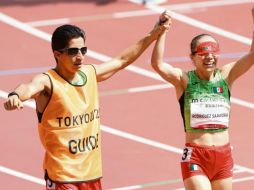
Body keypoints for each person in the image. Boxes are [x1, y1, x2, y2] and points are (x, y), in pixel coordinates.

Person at [3, 12, 170, 190]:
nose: (80, 56)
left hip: (91, 173)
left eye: (83, 50)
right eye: (73, 51)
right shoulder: (48, 82)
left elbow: (122, 60)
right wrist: (14, 96)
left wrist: (154, 34)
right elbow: (28, 87)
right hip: (63, 176)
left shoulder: (90, 73)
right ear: (57, 54)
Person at [151, 9, 254, 190]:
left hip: (223, 156)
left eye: (213, 52)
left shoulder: (226, 76)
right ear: (192, 57)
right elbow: (158, 65)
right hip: (196, 156)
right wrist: (162, 31)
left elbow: (252, 56)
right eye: (203, 53)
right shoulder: (183, 80)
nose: (209, 57)